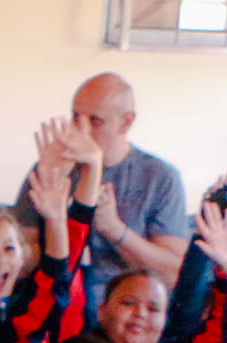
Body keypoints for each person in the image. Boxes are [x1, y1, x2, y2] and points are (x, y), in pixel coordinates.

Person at [69, 72, 186, 287]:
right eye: (76, 118)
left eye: (95, 121)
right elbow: (24, 257)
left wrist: (115, 230)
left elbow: (174, 273)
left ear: (126, 122)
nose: (81, 131)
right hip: (65, 303)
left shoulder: (160, 177)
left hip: (130, 307)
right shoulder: (54, 168)